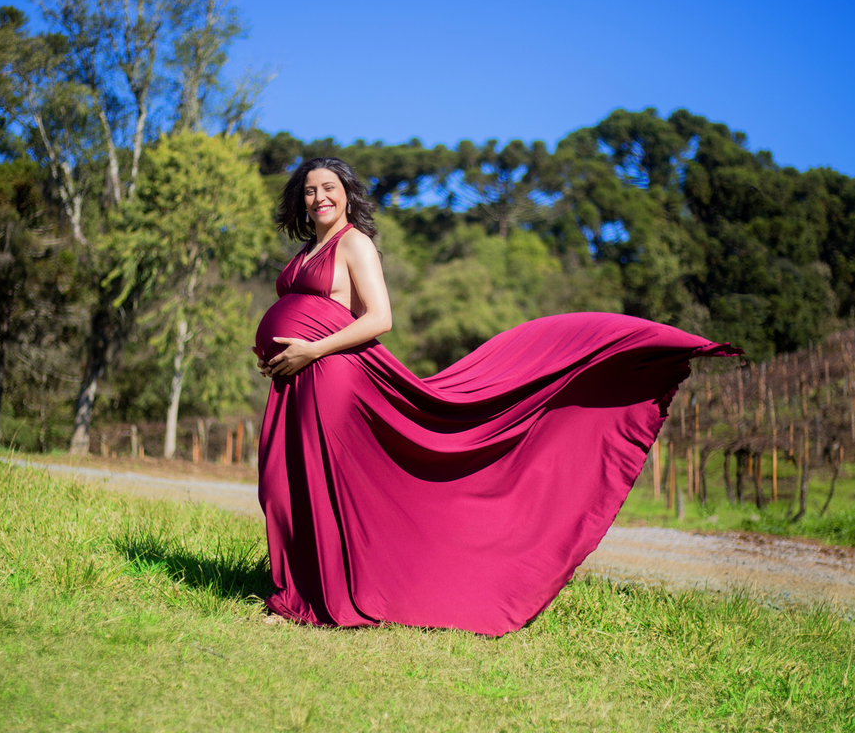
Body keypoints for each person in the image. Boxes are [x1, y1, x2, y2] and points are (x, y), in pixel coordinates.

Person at [253, 157, 738, 636]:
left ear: (347, 194)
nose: (319, 197)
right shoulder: (306, 254)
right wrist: (279, 354)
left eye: (329, 187)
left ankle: (330, 596)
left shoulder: (354, 243)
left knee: (323, 484)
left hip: (330, 377)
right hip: (296, 379)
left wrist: (312, 348)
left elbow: (378, 319)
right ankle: (300, 589)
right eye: (310, 190)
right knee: (283, 482)